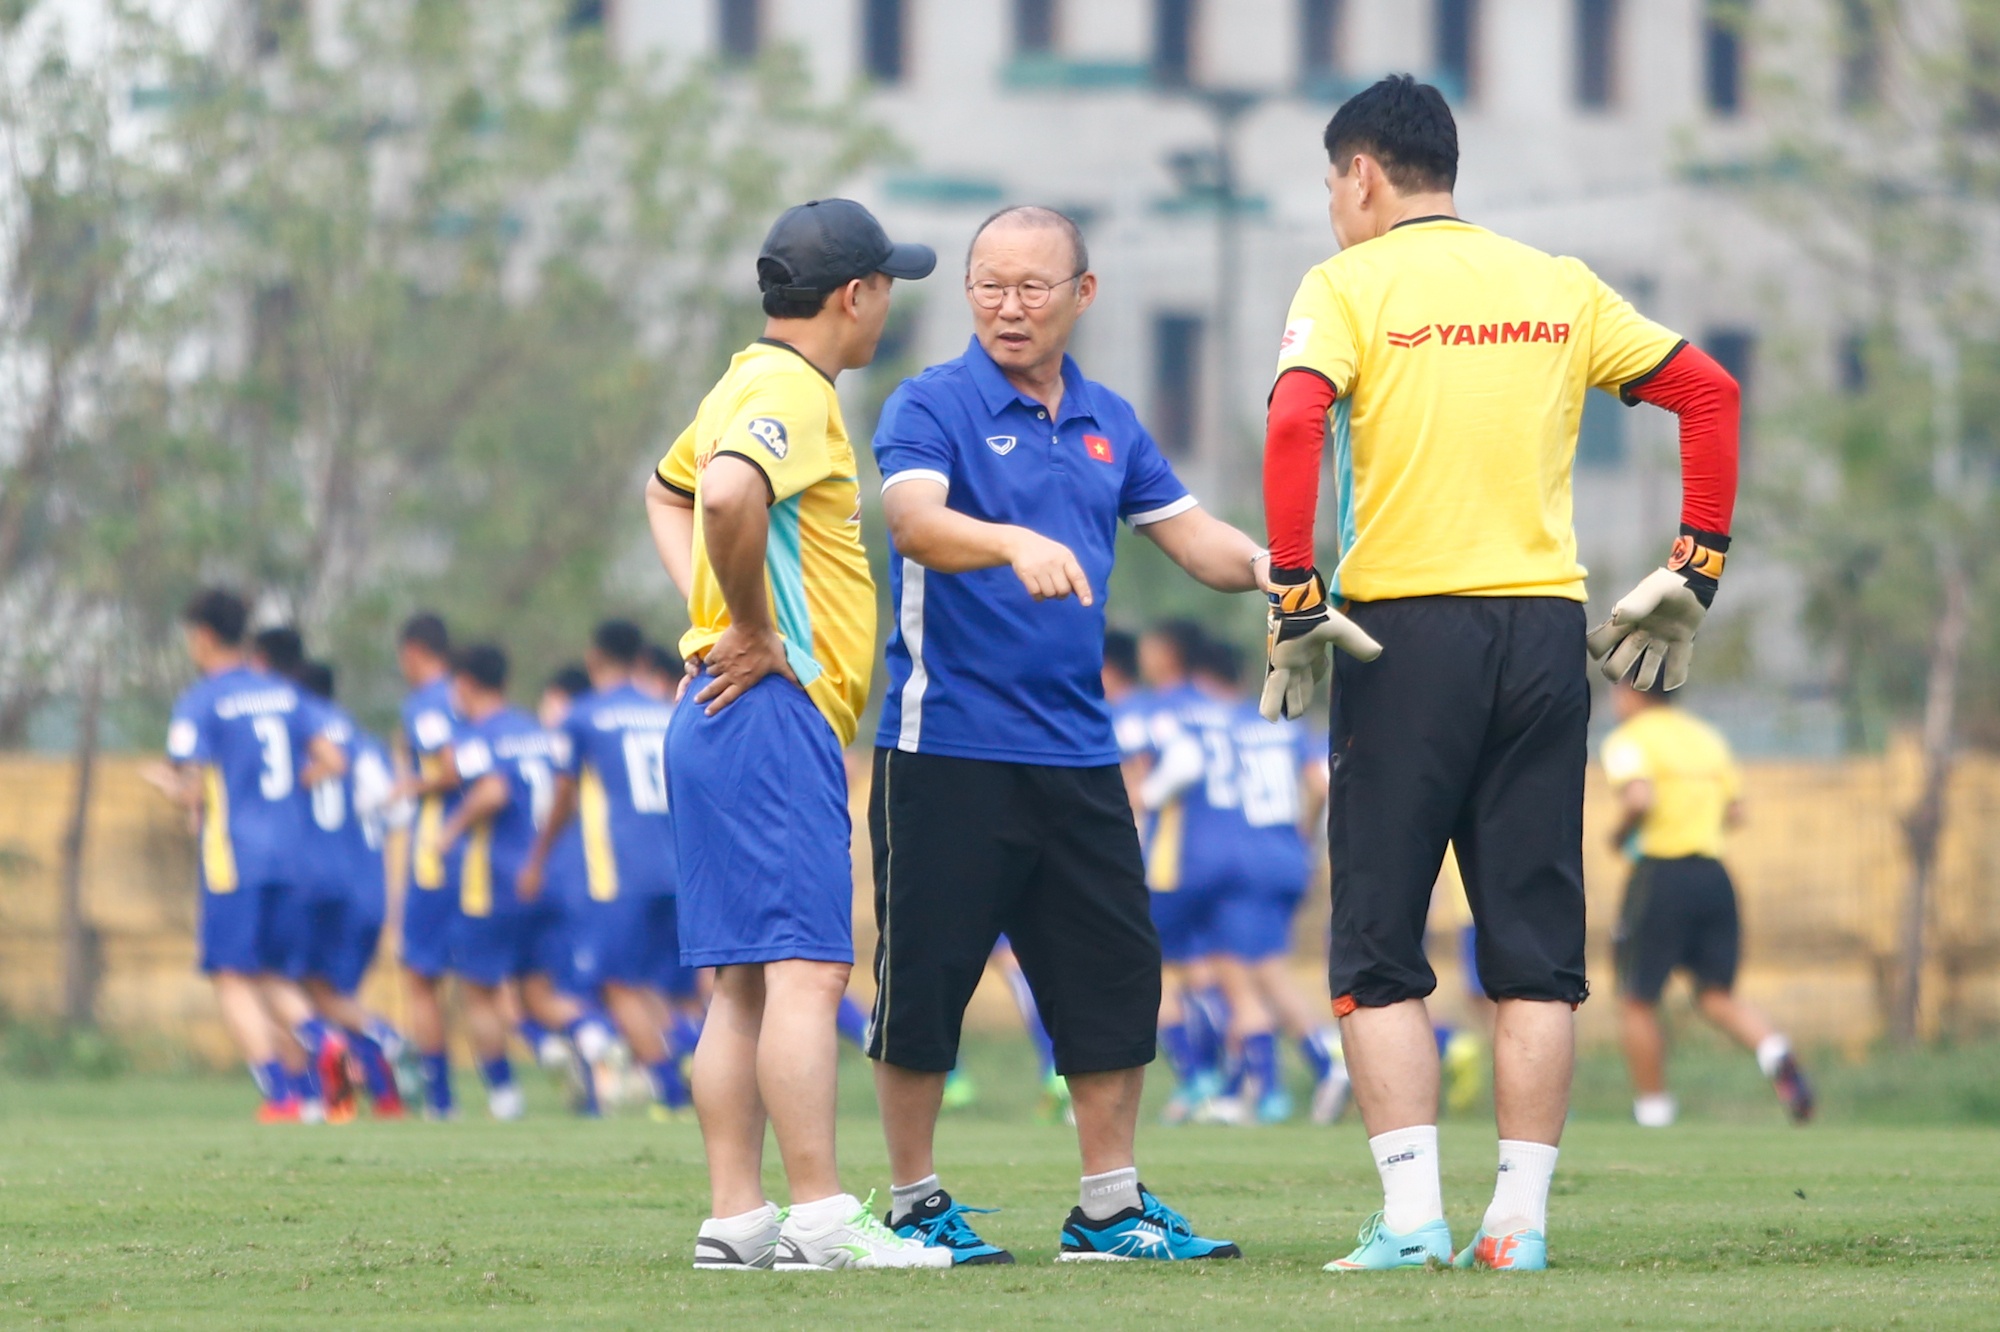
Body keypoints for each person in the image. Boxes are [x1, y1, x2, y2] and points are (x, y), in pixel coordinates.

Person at [1257, 76, 1740, 1271]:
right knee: (1532, 946)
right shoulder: (1554, 282)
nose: (1332, 206)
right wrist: (1695, 563)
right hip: (1540, 635)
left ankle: (1412, 1221)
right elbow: (1707, 392)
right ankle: (1515, 1229)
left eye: (1329, 183)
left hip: (1400, 639)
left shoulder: (1345, 284)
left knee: (1376, 943)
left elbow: (1294, 422)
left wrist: (1293, 589)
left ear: (1360, 174)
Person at [866, 204, 1262, 1264]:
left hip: (1080, 755)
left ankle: (1108, 1210)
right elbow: (913, 521)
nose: (1008, 306)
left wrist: (1277, 573)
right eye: (989, 285)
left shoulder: (1107, 420)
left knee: (1113, 981)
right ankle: (912, 1205)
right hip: (944, 748)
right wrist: (1011, 542)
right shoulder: (930, 403)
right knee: (924, 988)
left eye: (1031, 287)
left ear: (1082, 295)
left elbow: (1193, 538)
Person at [644, 198, 948, 1271]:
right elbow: (726, 496)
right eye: (888, 286)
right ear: (855, 295)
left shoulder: (739, 379)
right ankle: (820, 1218)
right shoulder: (793, 391)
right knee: (809, 974)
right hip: (772, 714)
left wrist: (709, 618)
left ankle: (737, 1220)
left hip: (717, 716)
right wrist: (748, 625)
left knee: (741, 983)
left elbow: (669, 492)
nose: (888, 305)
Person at [143, 589, 347, 1122]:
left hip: (234, 857)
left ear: (204, 637)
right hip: (291, 855)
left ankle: (282, 1094)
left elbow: (191, 787)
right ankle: (319, 1058)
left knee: (231, 976)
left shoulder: (202, 701)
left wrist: (168, 785)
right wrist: (282, 795)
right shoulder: (284, 693)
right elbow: (333, 760)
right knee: (274, 974)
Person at [1603, 680, 1812, 1127]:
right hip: (1714, 876)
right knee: (1716, 995)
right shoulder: (1706, 738)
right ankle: (1776, 1053)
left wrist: (1618, 837)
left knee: (1636, 999)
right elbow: (1735, 813)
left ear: (1633, 691)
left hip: (1660, 875)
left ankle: (1654, 1114)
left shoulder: (1630, 739)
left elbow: (1639, 797)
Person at [521, 619, 692, 1118]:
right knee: (655, 987)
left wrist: (538, 856)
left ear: (594, 656)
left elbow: (564, 795)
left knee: (615, 984)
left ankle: (672, 1092)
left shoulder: (582, 717)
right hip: (675, 867)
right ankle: (688, 1060)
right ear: (640, 657)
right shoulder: (664, 711)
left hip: (619, 875)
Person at [433, 644, 607, 1120]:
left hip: (494, 884)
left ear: (464, 685)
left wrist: (450, 831)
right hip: (545, 877)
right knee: (538, 995)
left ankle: (504, 1096)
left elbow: (492, 790)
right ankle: (594, 1033)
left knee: (478, 990)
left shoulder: (476, 736)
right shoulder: (539, 735)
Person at [294, 659, 410, 1120]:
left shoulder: (301, 740)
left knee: (308, 993)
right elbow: (397, 813)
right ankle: (373, 1095)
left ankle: (385, 1039)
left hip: (322, 886)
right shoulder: (365, 743)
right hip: (371, 888)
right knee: (332, 996)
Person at [391, 612, 463, 1118]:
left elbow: (450, 769)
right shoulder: (467, 694)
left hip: (437, 857)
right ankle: (504, 1091)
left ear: (414, 652)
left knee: (420, 976)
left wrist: (407, 785)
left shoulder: (426, 704)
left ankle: (440, 1100)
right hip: (480, 858)